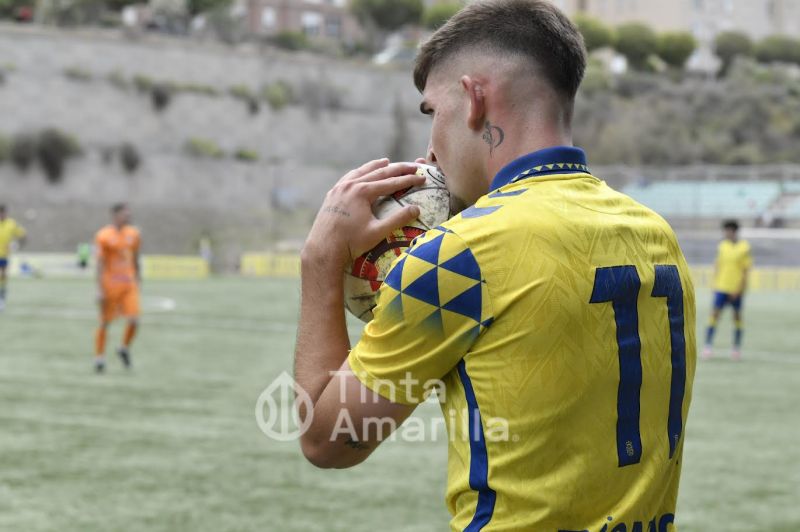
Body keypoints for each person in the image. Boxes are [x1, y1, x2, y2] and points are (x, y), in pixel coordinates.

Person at [293, 1, 697, 530]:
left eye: (432, 112)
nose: (430, 152)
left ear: (474, 98)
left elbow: (327, 441)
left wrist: (319, 263)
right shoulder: (655, 233)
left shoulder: (464, 254)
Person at [94, 203, 141, 373]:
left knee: (134, 319)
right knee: (105, 322)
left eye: (129, 214)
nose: (128, 217)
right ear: (115, 215)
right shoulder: (103, 235)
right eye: (124, 214)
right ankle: (99, 358)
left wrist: (139, 280)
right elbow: (99, 263)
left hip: (129, 284)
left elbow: (135, 258)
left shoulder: (134, 234)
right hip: (110, 284)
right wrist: (99, 289)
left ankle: (124, 348)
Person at [703, 220, 752, 361]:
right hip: (721, 287)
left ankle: (736, 348)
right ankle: (707, 347)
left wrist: (739, 289)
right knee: (714, 316)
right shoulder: (722, 246)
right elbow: (718, 266)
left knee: (737, 317)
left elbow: (745, 270)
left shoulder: (744, 247)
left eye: (729, 231)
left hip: (736, 289)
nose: (726, 233)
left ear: (734, 231)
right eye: (725, 231)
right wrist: (714, 284)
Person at [0, 204, 27, 312]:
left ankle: (2, 299)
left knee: (3, 277)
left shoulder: (11, 224)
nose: (2, 215)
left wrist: (16, 245)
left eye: (3, 213)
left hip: (4, 256)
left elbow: (23, 236)